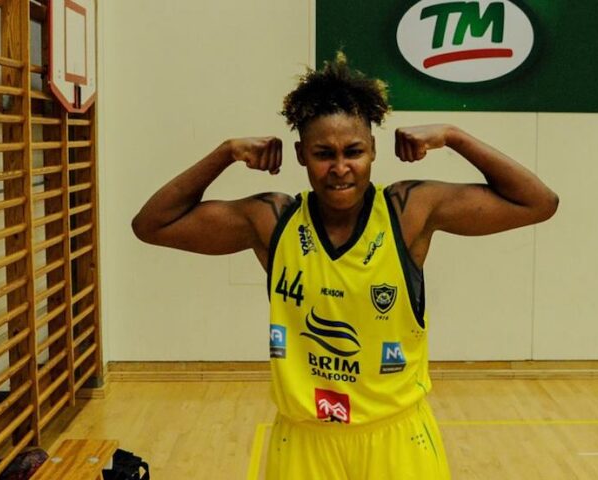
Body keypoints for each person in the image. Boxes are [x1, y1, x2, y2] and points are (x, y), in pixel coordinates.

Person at [131, 53, 558, 479]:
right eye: (323, 154)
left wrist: (453, 136)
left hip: (396, 438)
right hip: (304, 441)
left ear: (373, 149)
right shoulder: (273, 221)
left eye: (353, 151)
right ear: (301, 154)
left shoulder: (407, 212)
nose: (340, 168)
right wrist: (225, 153)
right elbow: (151, 224)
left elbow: (538, 202)